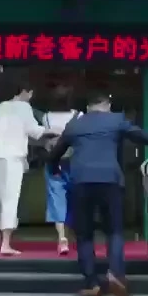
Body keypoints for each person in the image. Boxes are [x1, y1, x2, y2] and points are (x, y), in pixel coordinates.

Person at [48, 91, 148, 296]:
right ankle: (115, 274)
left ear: (88, 107)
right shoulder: (116, 120)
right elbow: (143, 136)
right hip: (110, 181)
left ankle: (92, 284)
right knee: (114, 231)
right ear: (107, 105)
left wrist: (55, 169)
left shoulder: (75, 125)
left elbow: (55, 153)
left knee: (84, 234)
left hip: (81, 182)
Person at [0, 82, 59, 256]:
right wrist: (53, 130)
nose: (31, 97)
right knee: (10, 198)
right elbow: (33, 131)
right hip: (12, 157)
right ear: (25, 92)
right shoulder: (24, 107)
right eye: (30, 93)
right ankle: (5, 244)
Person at [42, 86, 81, 255]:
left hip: (54, 161)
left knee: (56, 197)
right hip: (75, 162)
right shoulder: (78, 116)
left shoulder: (46, 117)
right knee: (76, 198)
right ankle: (76, 235)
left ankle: (62, 238)